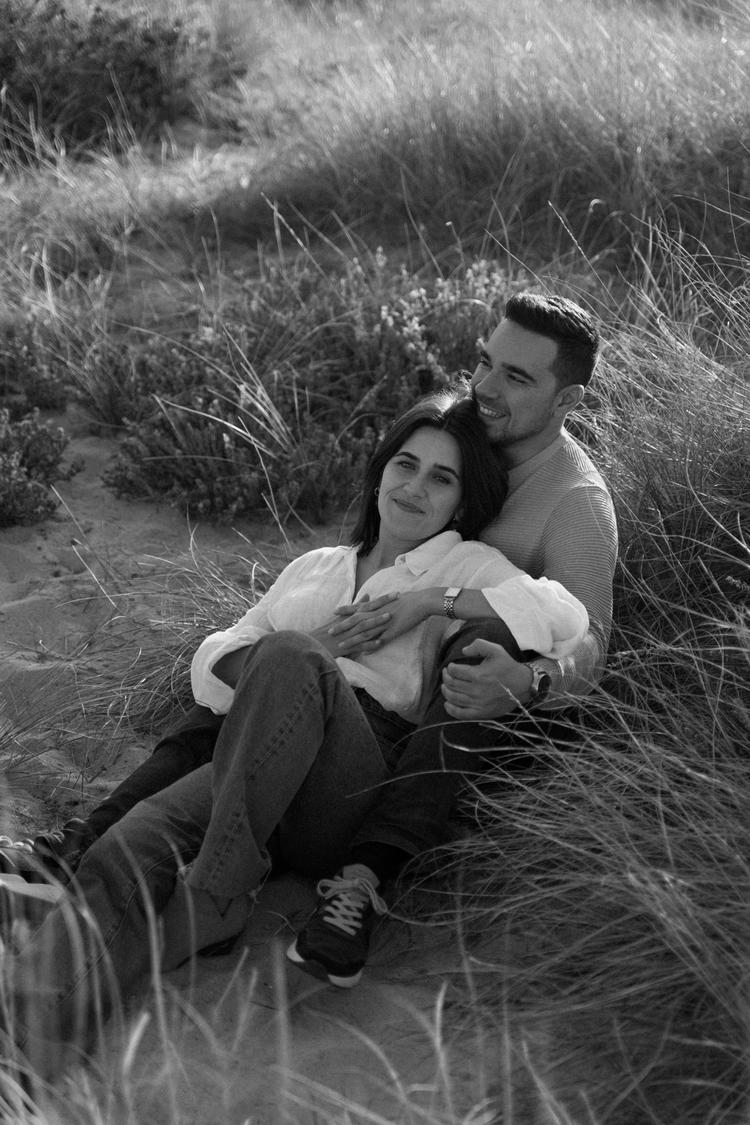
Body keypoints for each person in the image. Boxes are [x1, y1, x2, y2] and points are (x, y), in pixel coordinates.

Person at [0, 385, 588, 1075]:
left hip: (347, 782)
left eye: (442, 478)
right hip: (254, 760)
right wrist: (318, 646)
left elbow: (566, 614)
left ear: (463, 503)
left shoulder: (467, 565)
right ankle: (28, 1045)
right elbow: (212, 665)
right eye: (405, 464)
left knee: (289, 655)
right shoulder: (316, 567)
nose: (415, 487)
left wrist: (430, 601)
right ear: (380, 473)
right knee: (126, 852)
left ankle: (218, 887)